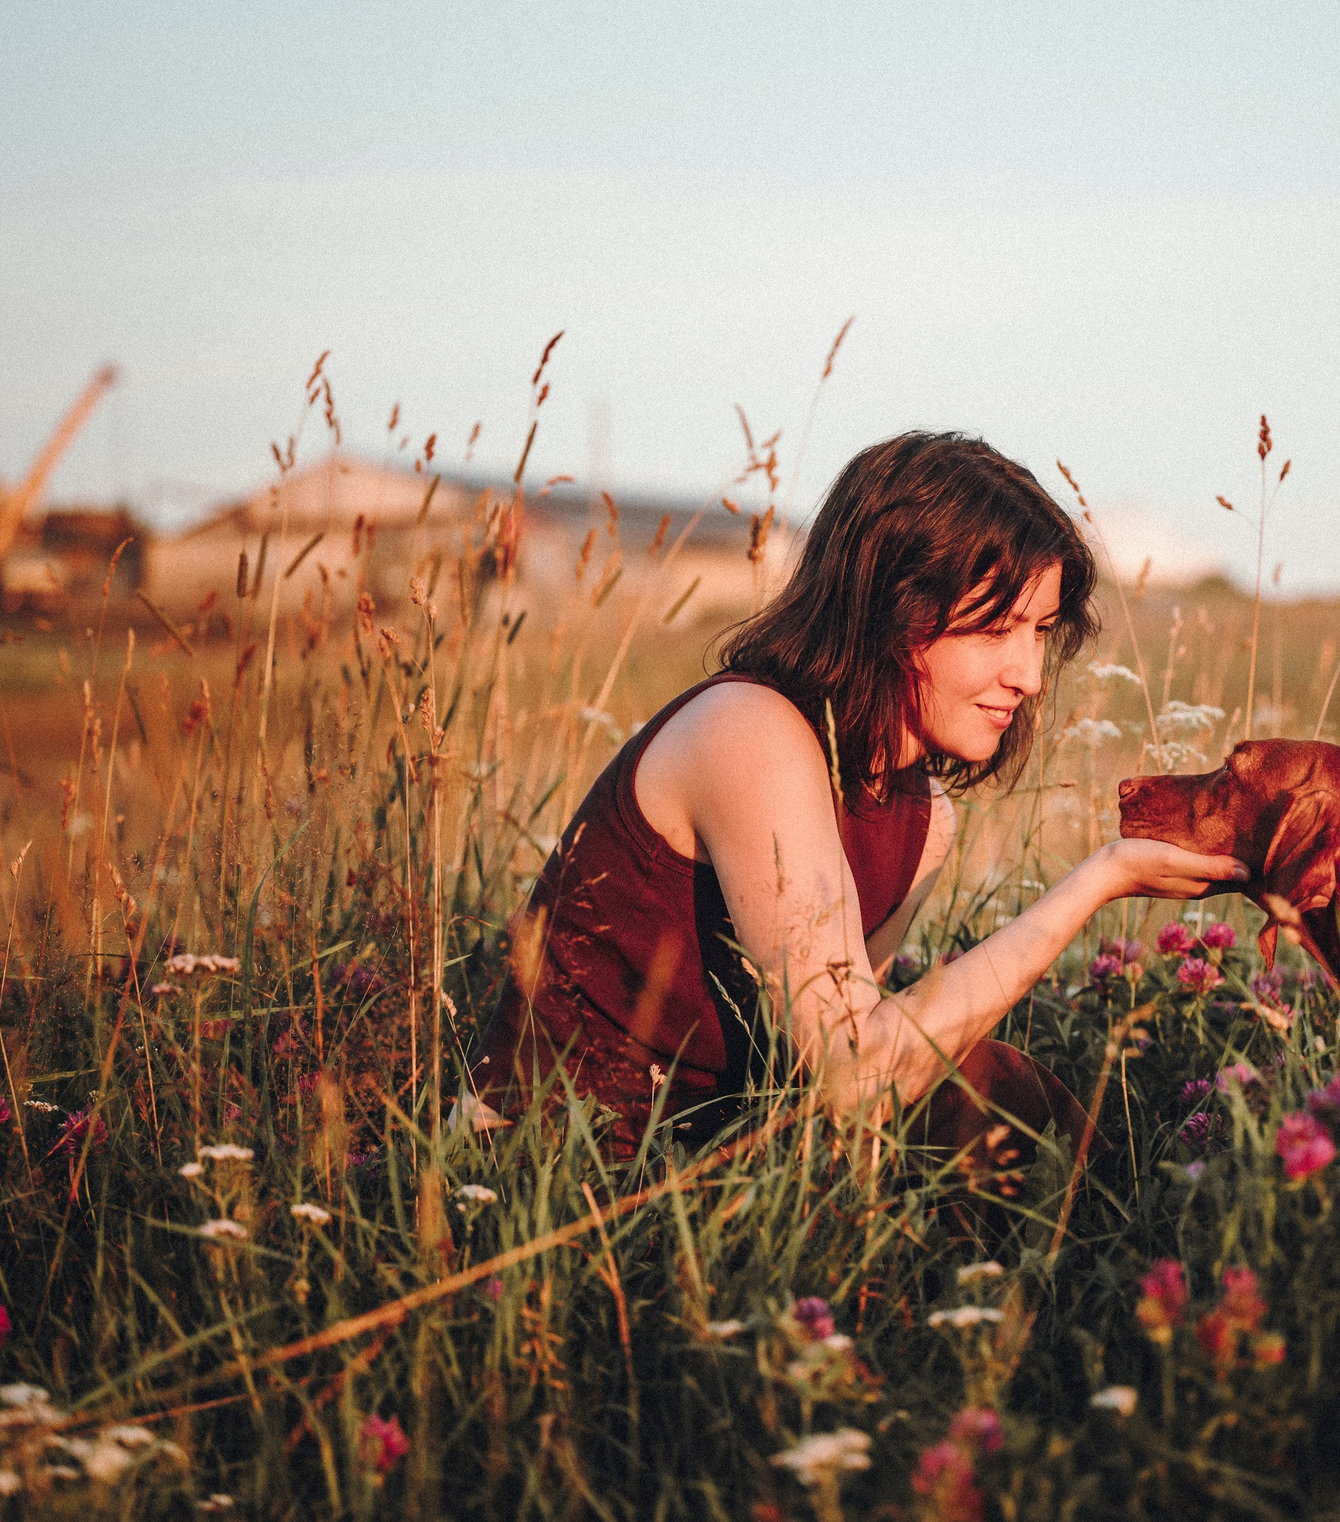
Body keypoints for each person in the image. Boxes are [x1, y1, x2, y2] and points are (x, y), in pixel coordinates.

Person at [466, 431, 1244, 1161]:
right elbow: (853, 1074)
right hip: (536, 1172)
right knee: (983, 1089)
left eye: (1039, 631)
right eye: (997, 628)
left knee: (994, 1089)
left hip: (701, 1174)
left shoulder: (923, 820)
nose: (1030, 675)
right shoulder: (748, 730)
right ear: (893, 608)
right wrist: (1099, 880)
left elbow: (836, 1087)